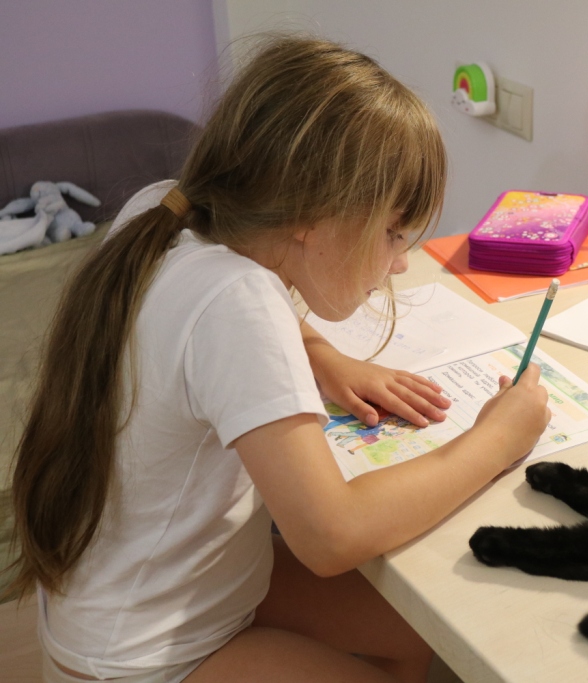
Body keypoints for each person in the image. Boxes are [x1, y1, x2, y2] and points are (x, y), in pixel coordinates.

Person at [5, 35, 551, 683]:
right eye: (391, 234)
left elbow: (216, 325)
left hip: (125, 603)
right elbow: (331, 536)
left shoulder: (165, 207)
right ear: (312, 216)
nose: (400, 263)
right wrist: (496, 439)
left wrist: (320, 355)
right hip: (146, 657)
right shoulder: (238, 300)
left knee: (417, 629)